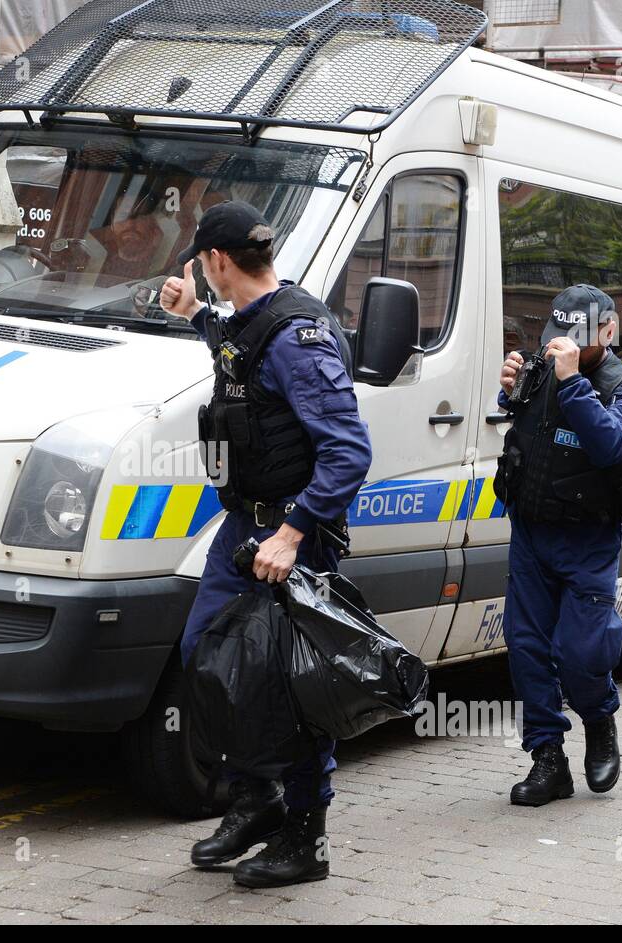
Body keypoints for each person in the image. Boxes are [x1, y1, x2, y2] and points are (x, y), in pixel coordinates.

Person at [159, 201, 372, 887]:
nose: (203, 274)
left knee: (293, 684)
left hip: (290, 535)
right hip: (242, 528)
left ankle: (306, 837)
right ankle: (257, 798)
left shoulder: (297, 338)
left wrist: (292, 531)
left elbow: (348, 450)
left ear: (218, 260)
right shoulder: (250, 324)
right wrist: (194, 313)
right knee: (210, 654)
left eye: (202, 266)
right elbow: (234, 355)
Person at [495, 284, 622, 806]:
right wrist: (511, 387)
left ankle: (599, 718)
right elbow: (520, 424)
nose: (563, 343)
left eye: (576, 337)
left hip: (588, 541)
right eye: (557, 332)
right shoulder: (545, 365)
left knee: (582, 652)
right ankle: (548, 761)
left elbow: (613, 445)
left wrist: (572, 383)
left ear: (607, 333)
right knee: (527, 651)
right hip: (532, 534)